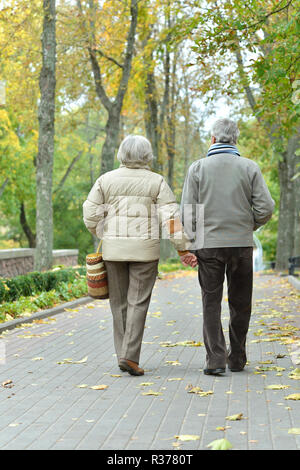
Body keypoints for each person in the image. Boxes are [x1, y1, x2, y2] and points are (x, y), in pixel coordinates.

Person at [83, 135, 193, 376]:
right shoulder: (156, 182)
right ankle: (129, 356)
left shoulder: (106, 180)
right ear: (147, 155)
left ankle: (124, 354)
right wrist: (182, 247)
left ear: (122, 154)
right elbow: (171, 219)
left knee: (119, 304)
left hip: (113, 252)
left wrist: (104, 231)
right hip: (145, 253)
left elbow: (90, 214)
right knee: (138, 303)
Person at [181, 118, 275, 376]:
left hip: (208, 246)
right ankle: (237, 358)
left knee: (211, 302)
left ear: (212, 139)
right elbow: (266, 208)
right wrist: (248, 226)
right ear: (235, 139)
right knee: (241, 302)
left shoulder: (197, 169)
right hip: (241, 245)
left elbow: (188, 212)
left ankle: (215, 359)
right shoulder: (249, 167)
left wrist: (191, 244)